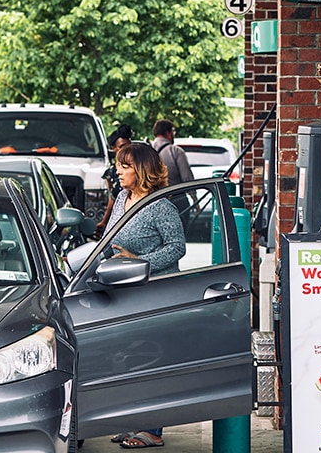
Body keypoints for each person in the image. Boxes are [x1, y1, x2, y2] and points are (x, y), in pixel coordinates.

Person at [103, 142, 185, 449]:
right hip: (124, 291)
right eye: (118, 165)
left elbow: (177, 247)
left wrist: (139, 262)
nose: (118, 171)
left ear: (142, 170)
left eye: (125, 166)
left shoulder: (161, 206)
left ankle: (152, 429)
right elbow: (110, 239)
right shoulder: (123, 196)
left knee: (151, 360)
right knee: (129, 359)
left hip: (154, 294)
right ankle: (132, 422)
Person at [94, 124, 133, 238]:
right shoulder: (111, 173)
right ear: (113, 148)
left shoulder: (138, 169)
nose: (126, 150)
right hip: (118, 222)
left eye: (128, 146)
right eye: (122, 146)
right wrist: (105, 221)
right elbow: (113, 198)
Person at [150, 119, 194, 186]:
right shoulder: (176, 151)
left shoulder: (147, 150)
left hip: (153, 195)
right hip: (175, 194)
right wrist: (193, 195)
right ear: (168, 132)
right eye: (173, 131)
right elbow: (187, 178)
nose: (174, 134)